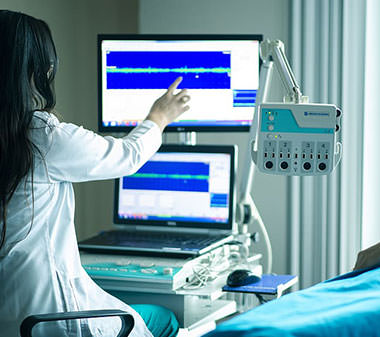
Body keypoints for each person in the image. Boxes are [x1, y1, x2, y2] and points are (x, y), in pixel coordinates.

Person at [0, 10, 190, 337]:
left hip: (10, 321)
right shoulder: (42, 136)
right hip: (52, 319)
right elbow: (127, 156)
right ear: (35, 70)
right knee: (164, 318)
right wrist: (159, 116)